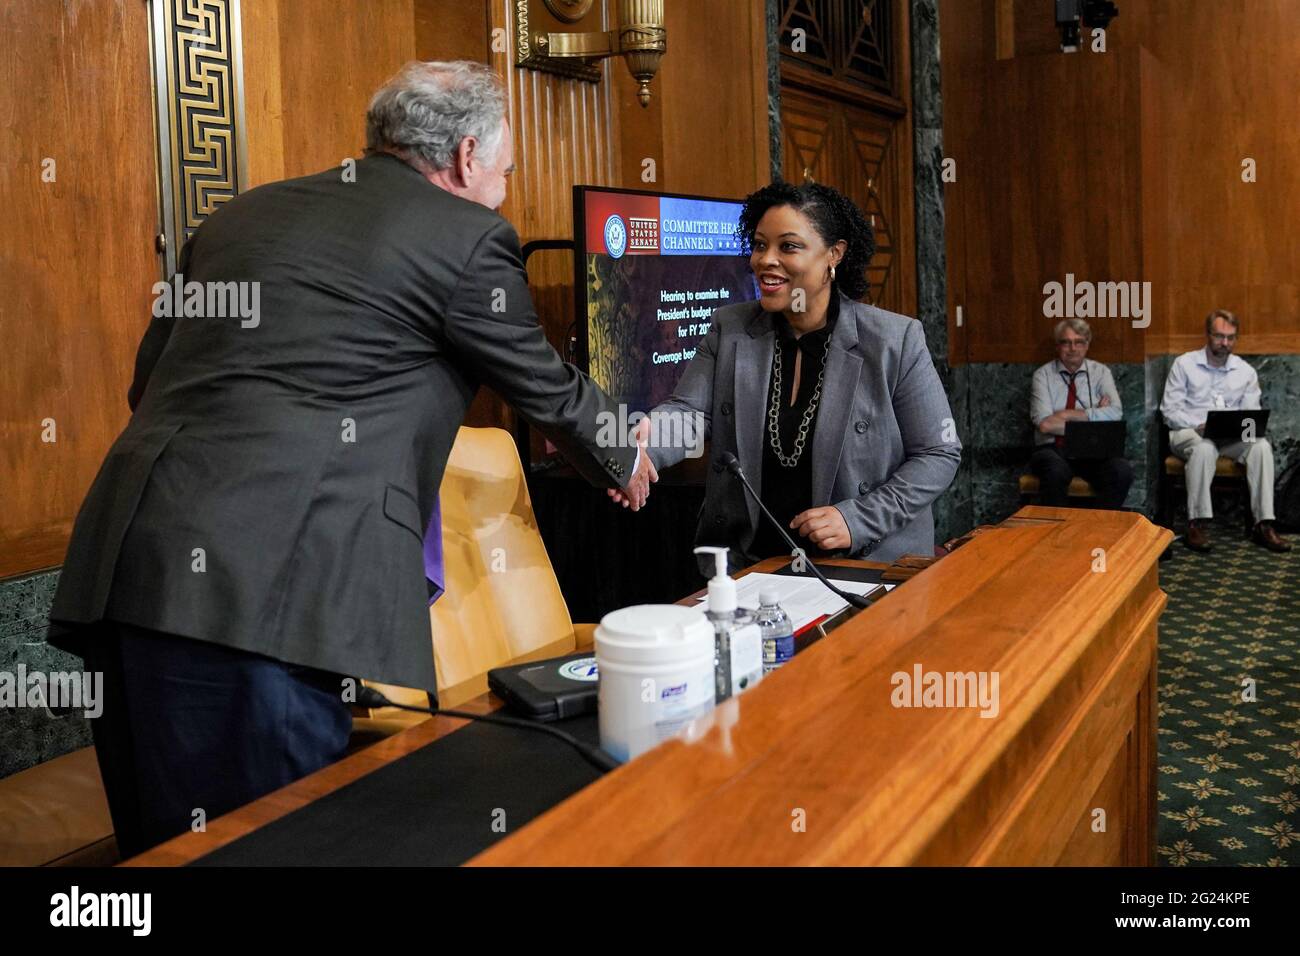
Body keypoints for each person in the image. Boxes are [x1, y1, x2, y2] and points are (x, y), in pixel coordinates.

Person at [45, 61, 654, 857]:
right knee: (276, 847)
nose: (504, 191)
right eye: (506, 172)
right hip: (270, 598)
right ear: (468, 157)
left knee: (164, 852)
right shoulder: (467, 236)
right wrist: (626, 457)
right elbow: (544, 384)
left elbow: (146, 385)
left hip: (126, 571)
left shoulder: (240, 215)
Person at [612, 181, 960, 570]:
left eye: (788, 247)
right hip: (751, 563)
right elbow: (690, 413)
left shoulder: (895, 340)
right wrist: (639, 450)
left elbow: (938, 453)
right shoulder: (730, 327)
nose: (765, 260)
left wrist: (857, 519)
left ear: (834, 255)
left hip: (862, 565)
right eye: (760, 245)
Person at [1161, 309, 1290, 553]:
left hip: (1230, 437)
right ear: (1208, 335)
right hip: (1190, 432)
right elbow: (1169, 411)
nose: (1225, 343)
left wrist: (1241, 428)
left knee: (1261, 446)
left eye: (1230, 338)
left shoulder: (1245, 372)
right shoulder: (1185, 364)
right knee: (1204, 448)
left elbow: (1251, 415)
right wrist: (1198, 424)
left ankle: (1263, 524)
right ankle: (1196, 523)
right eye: (1219, 336)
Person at [1027, 318, 1133, 509]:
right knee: (1055, 472)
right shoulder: (1042, 375)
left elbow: (1116, 412)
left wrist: (1063, 415)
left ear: (1087, 345)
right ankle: (1056, 533)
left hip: (1092, 449)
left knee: (1121, 470)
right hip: (1052, 449)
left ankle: (1098, 529)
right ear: (1057, 346)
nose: (1072, 348)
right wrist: (1095, 414)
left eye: (1079, 342)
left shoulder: (1101, 372)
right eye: (1066, 342)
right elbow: (1045, 424)